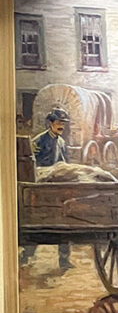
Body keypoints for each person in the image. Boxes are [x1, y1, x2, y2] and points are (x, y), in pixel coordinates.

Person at [24, 107, 73, 270]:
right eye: (59, 123)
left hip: (58, 185)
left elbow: (65, 164)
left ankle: (64, 260)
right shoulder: (38, 141)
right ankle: (27, 254)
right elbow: (31, 166)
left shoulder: (62, 142)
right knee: (39, 220)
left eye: (63, 124)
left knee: (64, 222)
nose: (61, 126)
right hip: (42, 186)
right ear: (50, 123)